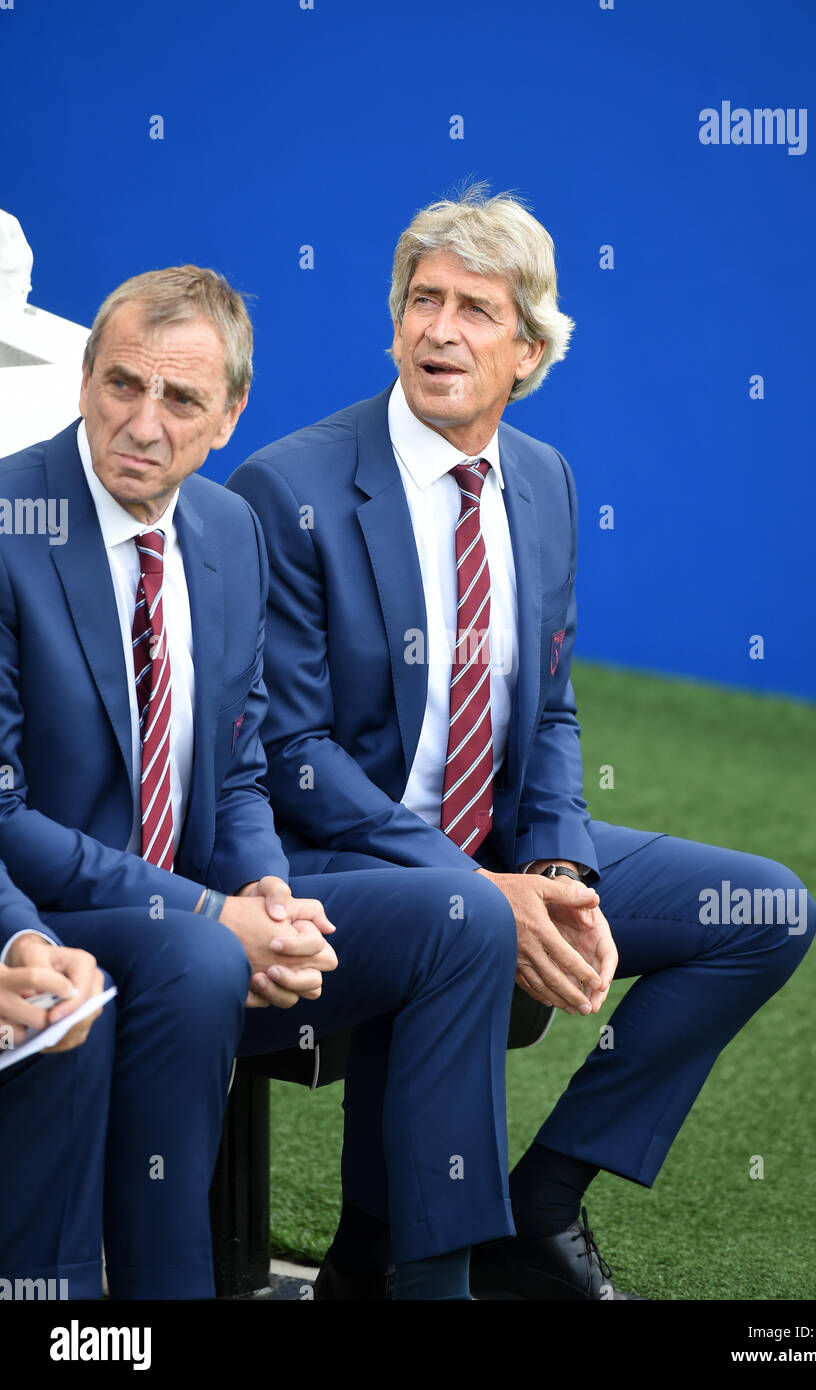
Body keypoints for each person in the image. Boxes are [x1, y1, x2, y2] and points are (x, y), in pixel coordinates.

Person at [228, 187, 816, 1300]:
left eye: (475, 310)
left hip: (497, 844)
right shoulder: (289, 487)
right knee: (461, 923)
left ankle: (538, 1211)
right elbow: (289, 753)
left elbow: (547, 708)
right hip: (330, 865)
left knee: (766, 911)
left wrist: (555, 867)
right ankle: (403, 1260)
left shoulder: (541, 481)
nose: (439, 329)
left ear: (529, 349)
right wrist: (485, 886)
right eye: (422, 300)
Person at [0, 265, 518, 1300]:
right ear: (86, 381)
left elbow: (237, 768)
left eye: (181, 399)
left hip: (195, 905)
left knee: (463, 913)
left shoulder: (228, 531)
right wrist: (206, 908)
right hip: (57, 910)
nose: (142, 424)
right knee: (196, 954)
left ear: (229, 414)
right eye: (119, 385)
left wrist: (266, 892)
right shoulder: (14, 522)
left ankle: (424, 1285)